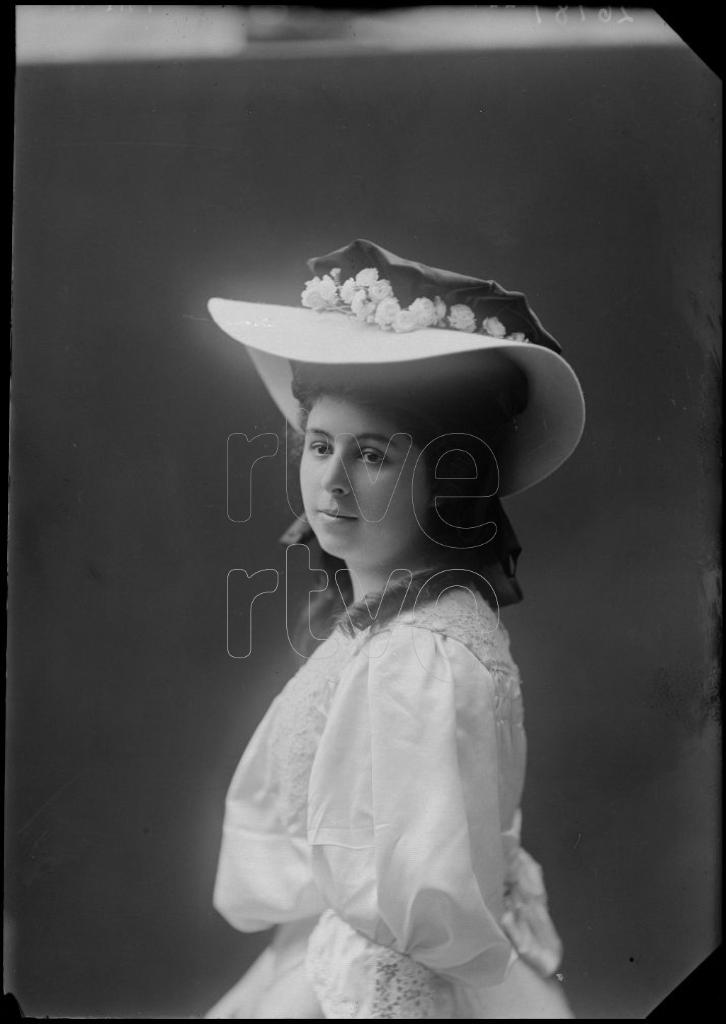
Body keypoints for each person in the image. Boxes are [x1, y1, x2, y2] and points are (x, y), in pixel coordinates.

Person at [204, 239, 585, 1018]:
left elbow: (411, 924)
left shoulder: (426, 654)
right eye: (319, 446)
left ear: (446, 475)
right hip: (332, 956)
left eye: (372, 454)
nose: (332, 481)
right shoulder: (389, 624)